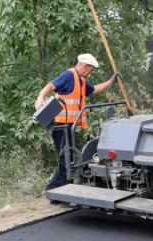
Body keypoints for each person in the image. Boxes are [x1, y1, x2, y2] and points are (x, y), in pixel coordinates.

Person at [34, 53, 119, 191]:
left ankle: (62, 188)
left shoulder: (81, 81)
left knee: (70, 158)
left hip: (69, 125)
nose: (90, 73)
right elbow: (50, 86)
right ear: (85, 66)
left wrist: (110, 82)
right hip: (60, 124)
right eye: (90, 70)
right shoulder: (68, 75)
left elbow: (94, 90)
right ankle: (53, 189)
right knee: (66, 159)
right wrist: (40, 98)